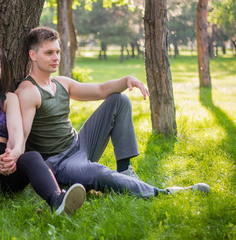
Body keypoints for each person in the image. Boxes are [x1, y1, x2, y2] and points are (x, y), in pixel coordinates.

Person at [15, 27, 210, 198]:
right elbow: (21, 138)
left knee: (119, 100)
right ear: (33, 55)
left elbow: (100, 90)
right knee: (99, 172)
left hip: (80, 144)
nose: (56, 57)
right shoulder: (28, 92)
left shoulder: (61, 83)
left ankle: (125, 171)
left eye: (57, 51)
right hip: (60, 163)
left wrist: (127, 80)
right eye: (49, 53)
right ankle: (163, 192)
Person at [0, 46, 86, 217]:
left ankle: (57, 202)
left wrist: (12, 156)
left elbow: (18, 136)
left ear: (3, 71)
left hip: (5, 169)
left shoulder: (9, 99)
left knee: (32, 156)